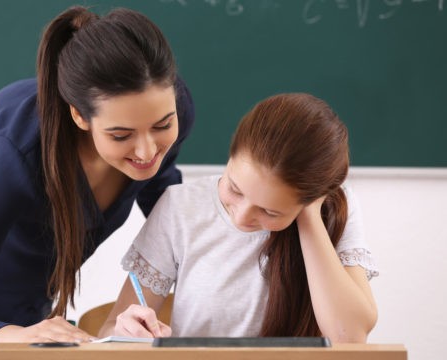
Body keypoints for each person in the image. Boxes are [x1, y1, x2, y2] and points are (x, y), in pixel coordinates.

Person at [0, 5, 194, 359]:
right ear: (79, 115)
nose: (148, 149)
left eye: (163, 126)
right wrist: (13, 334)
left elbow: (171, 219)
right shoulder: (12, 155)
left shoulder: (168, 108)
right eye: (121, 135)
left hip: (14, 290)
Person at [99, 93, 378, 342]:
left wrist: (309, 217)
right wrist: (124, 330)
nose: (243, 217)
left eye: (269, 211)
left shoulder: (333, 209)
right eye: (234, 188)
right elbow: (110, 331)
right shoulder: (180, 206)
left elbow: (349, 338)